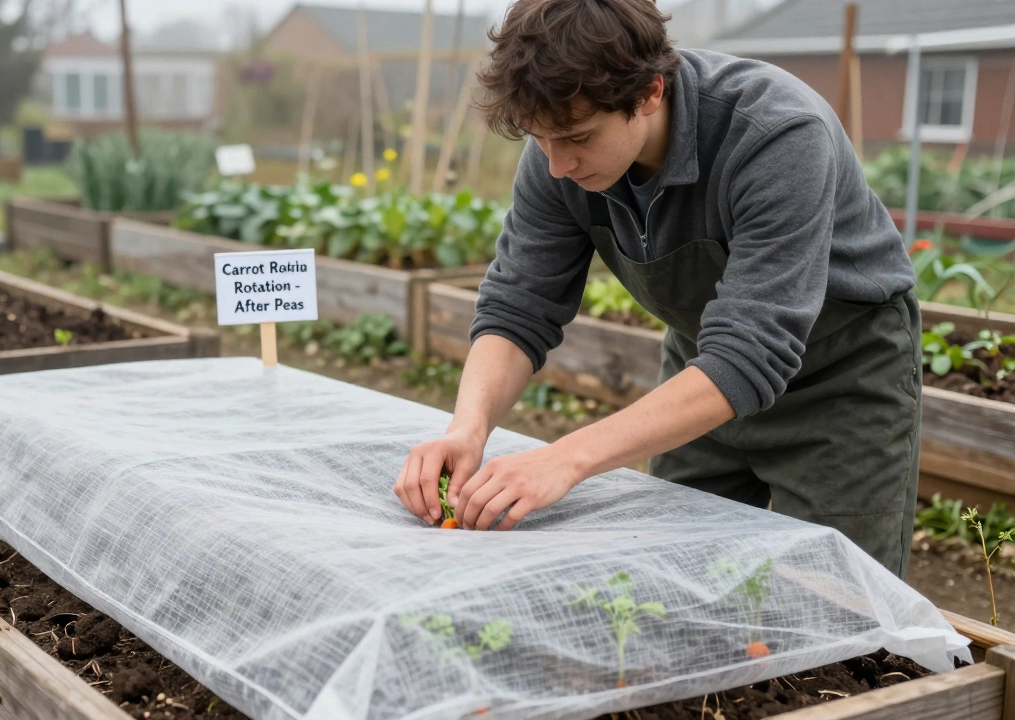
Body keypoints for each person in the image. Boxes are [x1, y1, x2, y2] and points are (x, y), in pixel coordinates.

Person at [392, 0, 921, 578]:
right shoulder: (557, 151)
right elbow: (519, 305)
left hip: (839, 384)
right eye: (539, 139)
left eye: (577, 138)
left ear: (649, 92)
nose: (557, 165)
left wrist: (564, 459)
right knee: (675, 577)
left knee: (835, 605)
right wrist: (468, 426)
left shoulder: (776, 134)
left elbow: (751, 352)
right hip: (699, 377)